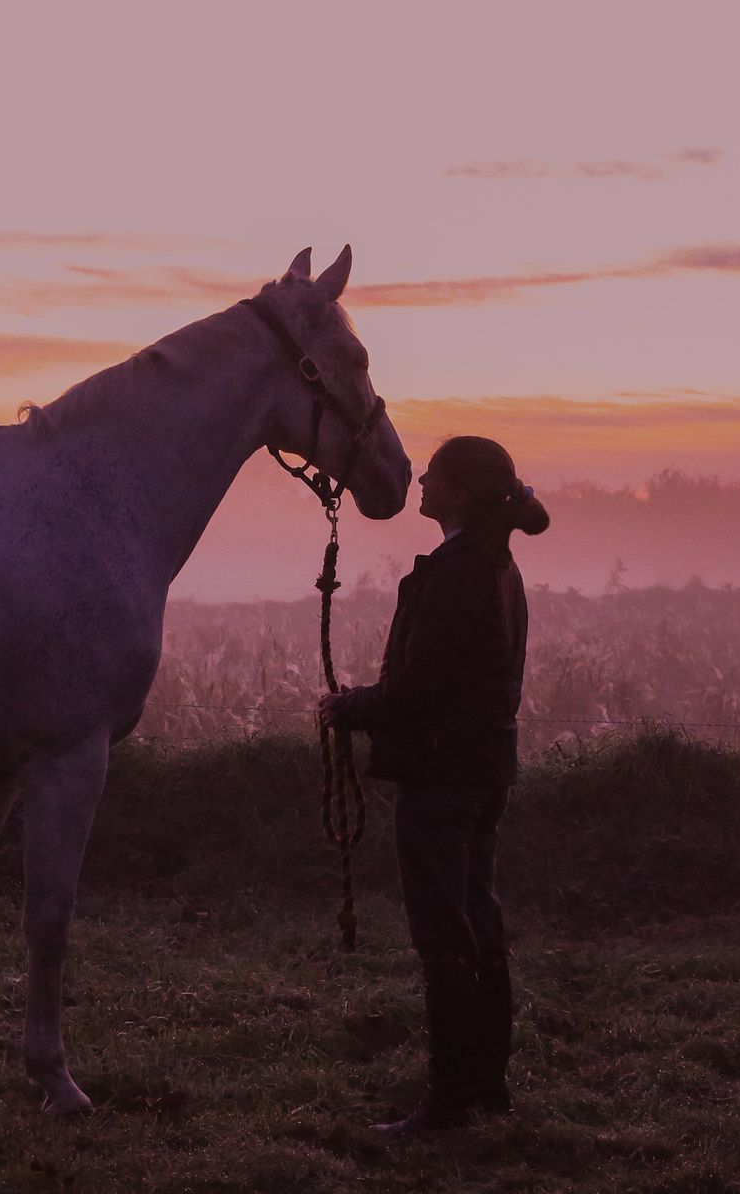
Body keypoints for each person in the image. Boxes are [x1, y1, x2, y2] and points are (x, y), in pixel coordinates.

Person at [319, 435, 549, 1134]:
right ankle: (485, 1086)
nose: (420, 479)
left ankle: (450, 1102)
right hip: (480, 770)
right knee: (479, 924)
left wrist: (352, 707)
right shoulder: (494, 567)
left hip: (442, 775)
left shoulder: (456, 574)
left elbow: (421, 688)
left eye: (435, 474)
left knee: (443, 934)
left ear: (459, 491)